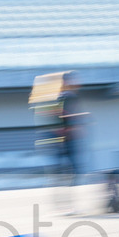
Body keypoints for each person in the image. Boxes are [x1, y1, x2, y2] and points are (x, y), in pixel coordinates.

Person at [30, 71, 88, 213]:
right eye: (73, 80)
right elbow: (61, 115)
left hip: (61, 140)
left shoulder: (64, 97)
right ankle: (64, 205)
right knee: (67, 173)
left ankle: (64, 205)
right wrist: (74, 122)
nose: (77, 82)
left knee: (67, 173)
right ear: (65, 82)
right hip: (62, 141)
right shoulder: (65, 97)